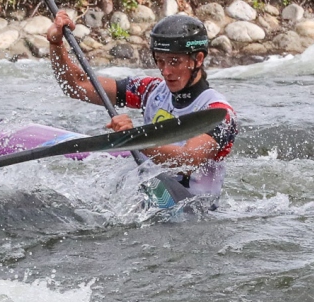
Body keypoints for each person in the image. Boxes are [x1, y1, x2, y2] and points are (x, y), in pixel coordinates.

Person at [46, 11, 237, 198]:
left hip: (192, 217)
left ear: (198, 59)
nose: (166, 71)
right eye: (160, 61)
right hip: (146, 206)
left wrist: (135, 139)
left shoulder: (219, 112)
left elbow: (187, 160)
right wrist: (56, 44)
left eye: (174, 62)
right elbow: (78, 86)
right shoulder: (149, 90)